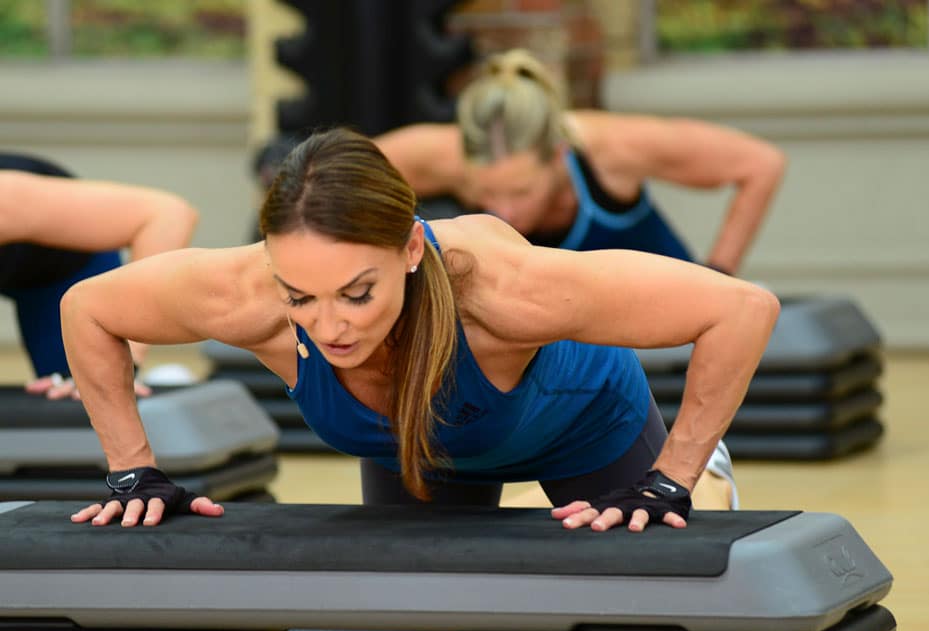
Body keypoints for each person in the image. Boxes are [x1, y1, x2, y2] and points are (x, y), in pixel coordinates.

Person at [64, 127, 778, 532]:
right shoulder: (241, 296)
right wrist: (134, 471)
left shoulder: (502, 289)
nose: (331, 325)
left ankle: (711, 476)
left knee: (631, 619)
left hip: (582, 427)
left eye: (356, 292)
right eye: (301, 296)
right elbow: (88, 308)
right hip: (418, 449)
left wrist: (671, 477)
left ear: (409, 250)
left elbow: (741, 309)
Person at [375, 49, 786, 275]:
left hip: (663, 344)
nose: (504, 212)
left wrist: (718, 277)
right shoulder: (442, 156)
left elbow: (760, 163)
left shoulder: (612, 148)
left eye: (520, 191)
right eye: (486, 194)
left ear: (558, 155)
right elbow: (329, 175)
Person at [0, 152, 199, 399]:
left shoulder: (7, 197)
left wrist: (127, 358)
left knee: (93, 392)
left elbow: (170, 215)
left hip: (65, 270)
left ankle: (158, 379)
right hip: (15, 263)